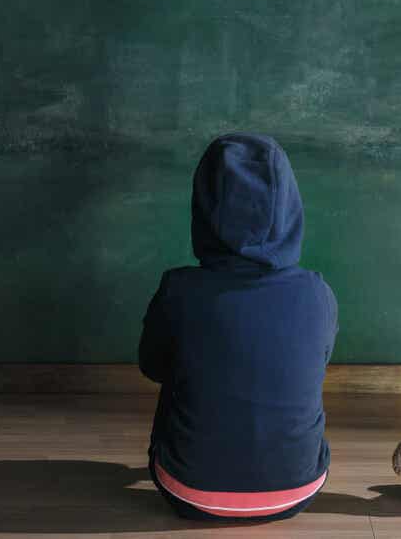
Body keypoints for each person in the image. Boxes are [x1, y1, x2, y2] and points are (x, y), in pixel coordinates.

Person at [138, 133, 338, 521]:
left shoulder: (178, 289)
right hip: (299, 491)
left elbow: (153, 368)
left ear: (204, 209)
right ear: (291, 210)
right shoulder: (318, 292)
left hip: (187, 493)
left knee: (181, 374)